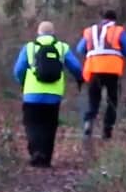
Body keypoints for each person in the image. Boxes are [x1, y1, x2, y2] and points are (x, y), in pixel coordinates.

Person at [12, 21, 83, 167]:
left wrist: (23, 82)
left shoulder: (29, 47)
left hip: (32, 94)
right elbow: (76, 68)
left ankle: (35, 152)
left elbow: (18, 70)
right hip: (53, 95)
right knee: (49, 126)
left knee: (31, 124)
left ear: (38, 33)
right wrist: (79, 79)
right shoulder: (62, 47)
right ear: (53, 33)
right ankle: (45, 158)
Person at [76, 10, 126, 140]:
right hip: (112, 71)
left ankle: (88, 122)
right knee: (112, 101)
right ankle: (107, 129)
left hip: (93, 69)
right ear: (114, 20)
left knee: (93, 99)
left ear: (102, 19)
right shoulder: (118, 30)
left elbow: (80, 49)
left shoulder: (90, 31)